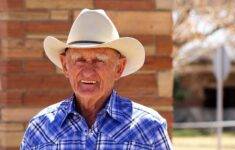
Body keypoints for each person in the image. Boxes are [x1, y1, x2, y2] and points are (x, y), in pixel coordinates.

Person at [20, 9, 173, 150]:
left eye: (99, 60)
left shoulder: (149, 128)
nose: (87, 72)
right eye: (79, 60)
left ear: (119, 68)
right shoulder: (40, 128)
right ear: (65, 66)